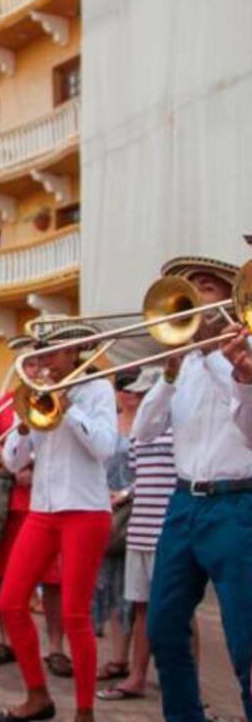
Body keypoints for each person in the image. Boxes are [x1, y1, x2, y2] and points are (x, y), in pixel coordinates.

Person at [135, 256, 252, 722]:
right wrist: (168, 372)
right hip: (183, 505)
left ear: (232, 296)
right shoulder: (183, 363)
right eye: (187, 288)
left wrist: (225, 364)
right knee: (164, 630)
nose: (194, 295)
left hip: (238, 505)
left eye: (204, 286)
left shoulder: (242, 357)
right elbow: (142, 431)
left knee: (245, 640)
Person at [0, 323, 117, 722]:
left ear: (75, 352)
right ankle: (37, 696)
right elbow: (12, 462)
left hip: (86, 509)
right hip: (43, 510)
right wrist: (24, 426)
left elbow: (103, 447)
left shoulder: (97, 389)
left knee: (75, 614)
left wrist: (68, 407)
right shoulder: (35, 392)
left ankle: (84, 712)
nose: (43, 359)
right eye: (41, 353)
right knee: (11, 601)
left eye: (52, 352)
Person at [0, 335, 68, 674]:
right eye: (29, 363)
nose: (35, 368)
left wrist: (35, 467)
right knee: (4, 573)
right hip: (12, 502)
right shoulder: (10, 399)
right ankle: (7, 641)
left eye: (41, 362)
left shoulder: (64, 397)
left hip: (51, 499)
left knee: (54, 580)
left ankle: (56, 647)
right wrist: (10, 463)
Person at [97, 366, 180, 703]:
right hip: (139, 528)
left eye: (147, 393)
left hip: (170, 529)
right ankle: (137, 676)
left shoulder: (179, 428)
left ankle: (178, 680)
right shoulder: (140, 434)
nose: (143, 399)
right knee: (141, 606)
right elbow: (137, 474)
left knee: (180, 611)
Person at [92, 369, 136, 682]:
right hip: (105, 508)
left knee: (132, 588)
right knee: (106, 583)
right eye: (124, 386)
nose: (130, 392)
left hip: (136, 509)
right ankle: (117, 656)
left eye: (135, 387)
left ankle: (132, 658)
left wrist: (126, 493)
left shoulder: (152, 419)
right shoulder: (109, 421)